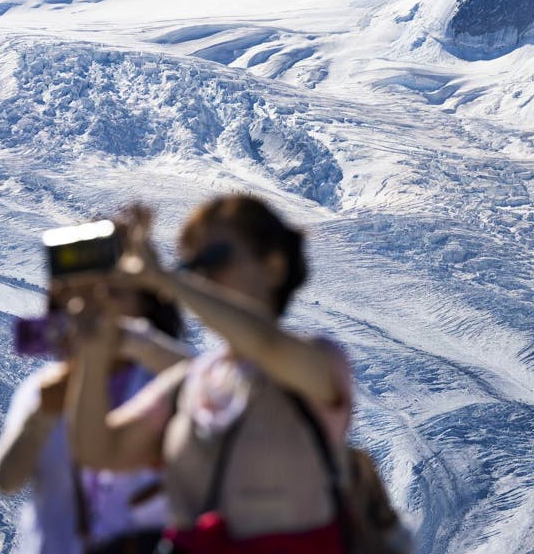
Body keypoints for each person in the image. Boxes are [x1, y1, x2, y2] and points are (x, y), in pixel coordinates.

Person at [65, 196, 355, 553]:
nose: (203, 277)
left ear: (274, 267)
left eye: (215, 259)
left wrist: (165, 278)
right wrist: (94, 352)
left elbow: (265, 344)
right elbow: (99, 449)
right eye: (193, 267)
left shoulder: (322, 363)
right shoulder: (191, 382)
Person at [0, 284, 192, 554]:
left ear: (147, 304)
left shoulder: (166, 382)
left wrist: (132, 340)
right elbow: (5, 480)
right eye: (72, 295)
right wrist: (41, 416)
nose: (84, 308)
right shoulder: (43, 388)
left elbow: (208, 377)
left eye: (112, 292)